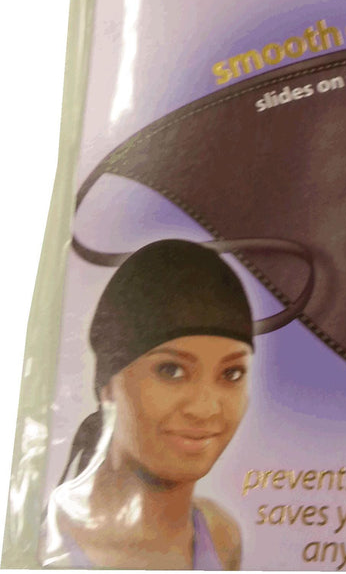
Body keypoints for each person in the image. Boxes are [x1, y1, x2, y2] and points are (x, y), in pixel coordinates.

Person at [43, 240, 254, 570]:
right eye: (171, 370)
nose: (205, 409)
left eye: (231, 373)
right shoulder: (47, 548)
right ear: (107, 386)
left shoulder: (221, 536)